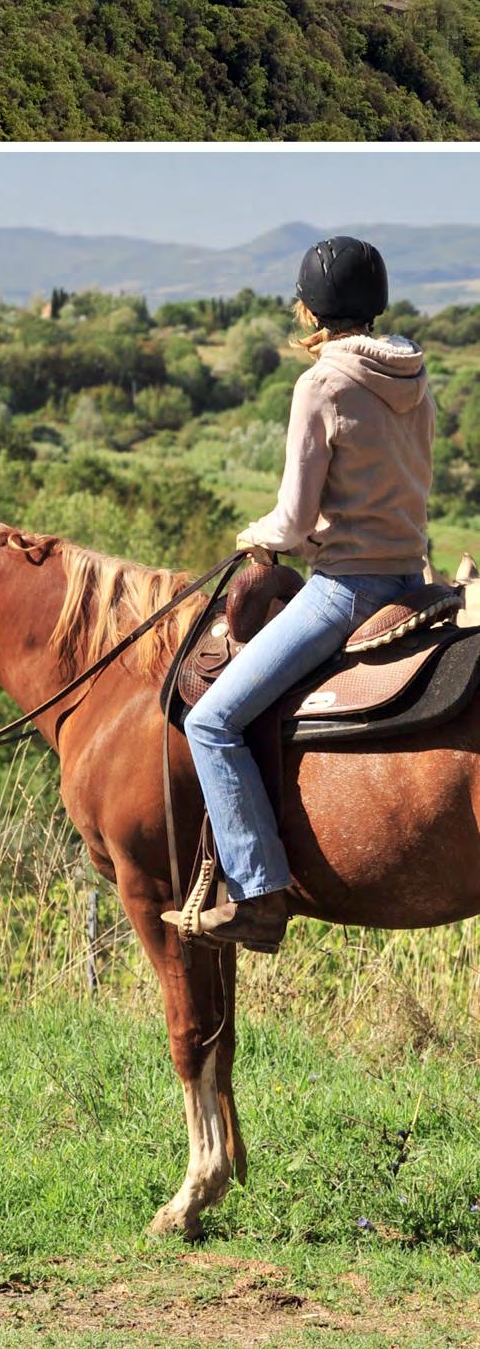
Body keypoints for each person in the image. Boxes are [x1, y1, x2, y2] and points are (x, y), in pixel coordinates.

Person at [164, 237, 435, 954]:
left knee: (213, 723)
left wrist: (260, 536)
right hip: (413, 577)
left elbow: (290, 518)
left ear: (313, 307)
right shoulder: (415, 374)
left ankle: (258, 892)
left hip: (346, 589)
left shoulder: (320, 384)